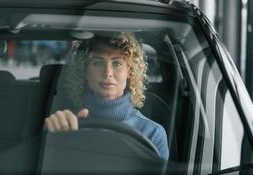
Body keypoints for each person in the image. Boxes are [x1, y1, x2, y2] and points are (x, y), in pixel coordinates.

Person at [44, 32, 169, 160]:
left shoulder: (152, 133)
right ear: (85, 71)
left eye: (117, 64)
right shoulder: (66, 124)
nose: (107, 73)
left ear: (130, 72)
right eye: (98, 63)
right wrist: (52, 137)